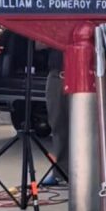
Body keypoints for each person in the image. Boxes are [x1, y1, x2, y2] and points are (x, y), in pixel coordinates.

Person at [41, 45, 69, 185]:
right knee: (58, 125)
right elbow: (39, 43)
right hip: (57, 75)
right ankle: (61, 173)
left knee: (86, 127)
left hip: (85, 74)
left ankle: (89, 174)